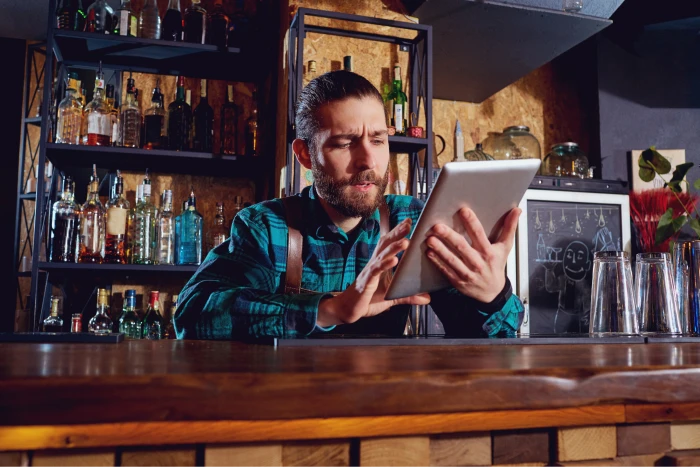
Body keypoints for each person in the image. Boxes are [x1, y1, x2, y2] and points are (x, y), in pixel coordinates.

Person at [173, 71, 524, 340]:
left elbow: (487, 339)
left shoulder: (411, 220)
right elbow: (191, 315)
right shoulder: (266, 227)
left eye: (378, 140)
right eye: (344, 143)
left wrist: (492, 295)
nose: (367, 160)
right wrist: (330, 309)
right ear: (306, 155)